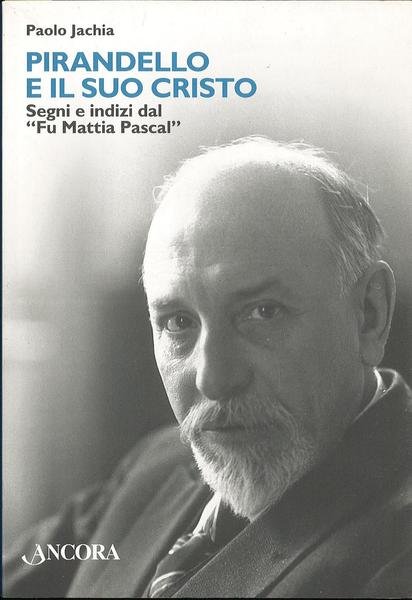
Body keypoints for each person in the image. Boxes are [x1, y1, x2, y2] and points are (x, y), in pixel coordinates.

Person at [4, 137, 412, 598]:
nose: (212, 380)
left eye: (262, 313)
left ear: (369, 314)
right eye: (178, 322)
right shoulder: (158, 465)